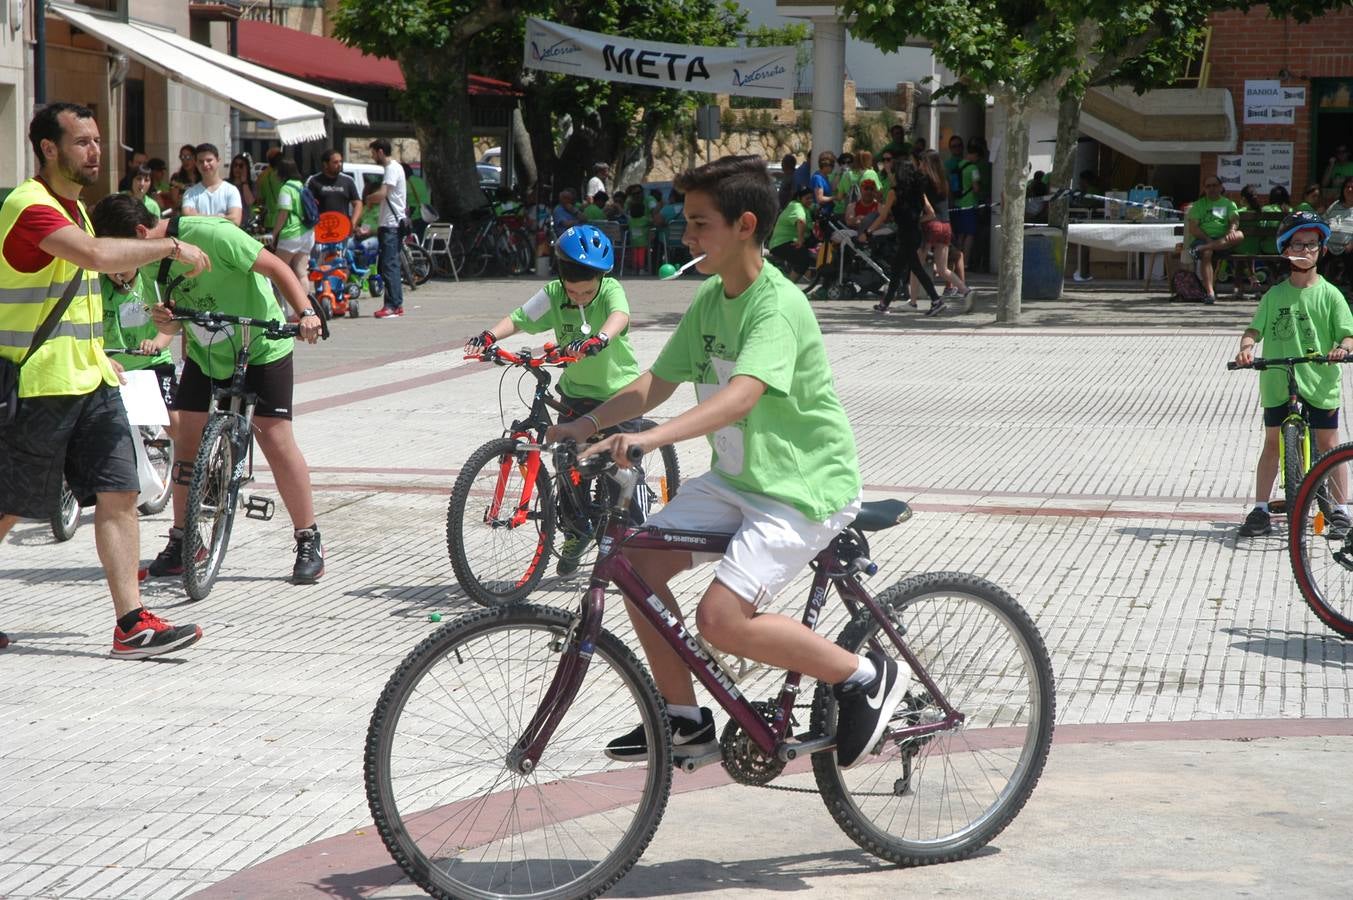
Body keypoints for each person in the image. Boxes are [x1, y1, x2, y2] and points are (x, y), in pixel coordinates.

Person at [546, 155, 906, 772]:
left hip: (800, 488)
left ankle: (864, 676)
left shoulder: (777, 304)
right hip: (737, 481)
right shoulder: (713, 297)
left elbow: (742, 396)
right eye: (686, 222)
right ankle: (686, 721)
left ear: (744, 226)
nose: (685, 237)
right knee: (636, 566)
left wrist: (650, 440)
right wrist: (585, 424)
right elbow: (657, 381)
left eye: (699, 223)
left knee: (719, 619)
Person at [0, 102, 209, 659]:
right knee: (9, 504)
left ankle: (131, 623)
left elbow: (80, 298)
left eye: (96, 140)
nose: (95, 151)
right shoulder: (29, 205)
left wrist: (100, 355)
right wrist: (169, 245)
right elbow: (93, 257)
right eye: (82, 142)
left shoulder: (77, 210)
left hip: (90, 379)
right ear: (49, 148)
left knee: (120, 490)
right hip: (40, 384)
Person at [91, 191, 327, 585]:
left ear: (139, 233)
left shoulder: (213, 235)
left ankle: (308, 538)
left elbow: (277, 268)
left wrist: (305, 314)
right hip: (207, 353)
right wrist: (165, 320)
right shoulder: (147, 261)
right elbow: (168, 320)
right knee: (187, 440)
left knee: (275, 438)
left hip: (260, 345)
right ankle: (184, 541)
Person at [464, 224, 641, 574]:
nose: (579, 297)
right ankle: (577, 531)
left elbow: (619, 316)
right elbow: (520, 318)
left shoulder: (610, 290)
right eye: (572, 291)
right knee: (567, 464)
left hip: (618, 395)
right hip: (576, 393)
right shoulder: (554, 293)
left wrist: (600, 338)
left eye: (586, 291)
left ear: (600, 279)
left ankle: (633, 540)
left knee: (622, 471)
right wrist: (488, 336)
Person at [1234, 212, 1353, 538]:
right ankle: (1260, 509)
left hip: (1319, 380)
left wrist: (1342, 349)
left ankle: (1340, 510)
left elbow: (1348, 334)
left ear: (1322, 250)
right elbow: (1253, 330)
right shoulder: (1274, 295)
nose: (1305, 250)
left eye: (1312, 244)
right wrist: (1246, 349)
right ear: (1285, 250)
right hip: (1278, 379)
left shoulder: (1330, 294)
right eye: (1298, 244)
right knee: (1272, 443)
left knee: (1329, 444)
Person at [101, 265, 178, 443]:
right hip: (114, 367)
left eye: (124, 263)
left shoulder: (150, 285)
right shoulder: (98, 286)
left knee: (176, 423)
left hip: (153, 363)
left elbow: (169, 326)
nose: (117, 271)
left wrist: (155, 343)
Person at [869, 156, 944, 315]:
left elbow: (883, 215)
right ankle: (885, 303)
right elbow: (931, 214)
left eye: (893, 172)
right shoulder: (918, 191)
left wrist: (868, 231)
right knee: (897, 268)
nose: (891, 175)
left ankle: (936, 300)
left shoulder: (894, 192)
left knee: (916, 268)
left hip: (905, 235)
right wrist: (915, 220)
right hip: (915, 233)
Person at [917, 149, 970, 301]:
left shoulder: (924, 181)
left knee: (917, 265)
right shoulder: (943, 181)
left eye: (921, 163)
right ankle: (966, 291)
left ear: (926, 164)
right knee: (942, 269)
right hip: (945, 225)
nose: (919, 166)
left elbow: (925, 205)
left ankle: (914, 300)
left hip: (931, 224)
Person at [364, 138, 407, 319]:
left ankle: (392, 305)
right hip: (391, 224)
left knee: (389, 266)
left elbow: (382, 194)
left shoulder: (391, 169)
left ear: (380, 151)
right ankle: (395, 304)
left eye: (373, 153)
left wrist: (368, 198)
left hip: (391, 225)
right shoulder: (396, 168)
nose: (373, 156)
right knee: (389, 264)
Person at [1187, 175, 1244, 305]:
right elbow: (1193, 228)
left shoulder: (1228, 204)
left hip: (1222, 240)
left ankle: (1202, 248)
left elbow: (1234, 220)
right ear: (1204, 189)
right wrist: (1208, 240)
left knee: (1240, 235)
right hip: (1202, 238)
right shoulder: (1198, 205)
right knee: (1207, 253)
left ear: (1220, 187)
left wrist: (1232, 230)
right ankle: (1210, 293)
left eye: (1214, 185)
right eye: (1208, 186)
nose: (1212, 188)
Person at [271, 158, 315, 289]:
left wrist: (275, 234)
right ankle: (303, 302)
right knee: (301, 273)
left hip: (291, 233)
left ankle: (279, 300)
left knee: (278, 271)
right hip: (308, 232)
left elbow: (284, 213)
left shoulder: (286, 189)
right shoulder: (301, 185)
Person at [181, 143, 243, 228]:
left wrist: (198, 216)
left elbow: (235, 221)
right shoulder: (190, 193)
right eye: (201, 161)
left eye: (209, 160)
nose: (205, 164)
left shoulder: (231, 190)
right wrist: (222, 217)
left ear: (218, 161)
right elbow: (187, 219)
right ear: (196, 164)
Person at [307, 149, 363, 236]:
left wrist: (352, 224)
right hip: (321, 230)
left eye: (340, 161)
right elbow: (307, 204)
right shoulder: (314, 181)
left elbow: (358, 203)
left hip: (342, 230)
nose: (339, 164)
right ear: (325, 164)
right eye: (335, 162)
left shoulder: (348, 181)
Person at [768, 182, 814, 281]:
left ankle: (808, 275)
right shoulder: (796, 206)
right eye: (807, 198)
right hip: (781, 243)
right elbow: (801, 221)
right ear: (799, 198)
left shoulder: (805, 208)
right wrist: (800, 239)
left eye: (811, 198)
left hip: (788, 241)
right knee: (803, 259)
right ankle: (790, 284)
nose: (810, 200)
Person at [228, 153, 257, 230]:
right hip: (230, 223)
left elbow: (250, 202)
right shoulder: (226, 183)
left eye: (241, 166)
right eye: (235, 165)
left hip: (246, 223)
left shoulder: (252, 185)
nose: (237, 168)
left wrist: (244, 182)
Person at [404, 162, 432, 240]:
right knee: (422, 239)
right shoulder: (420, 180)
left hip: (416, 215)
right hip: (425, 215)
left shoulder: (407, 183)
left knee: (414, 239)